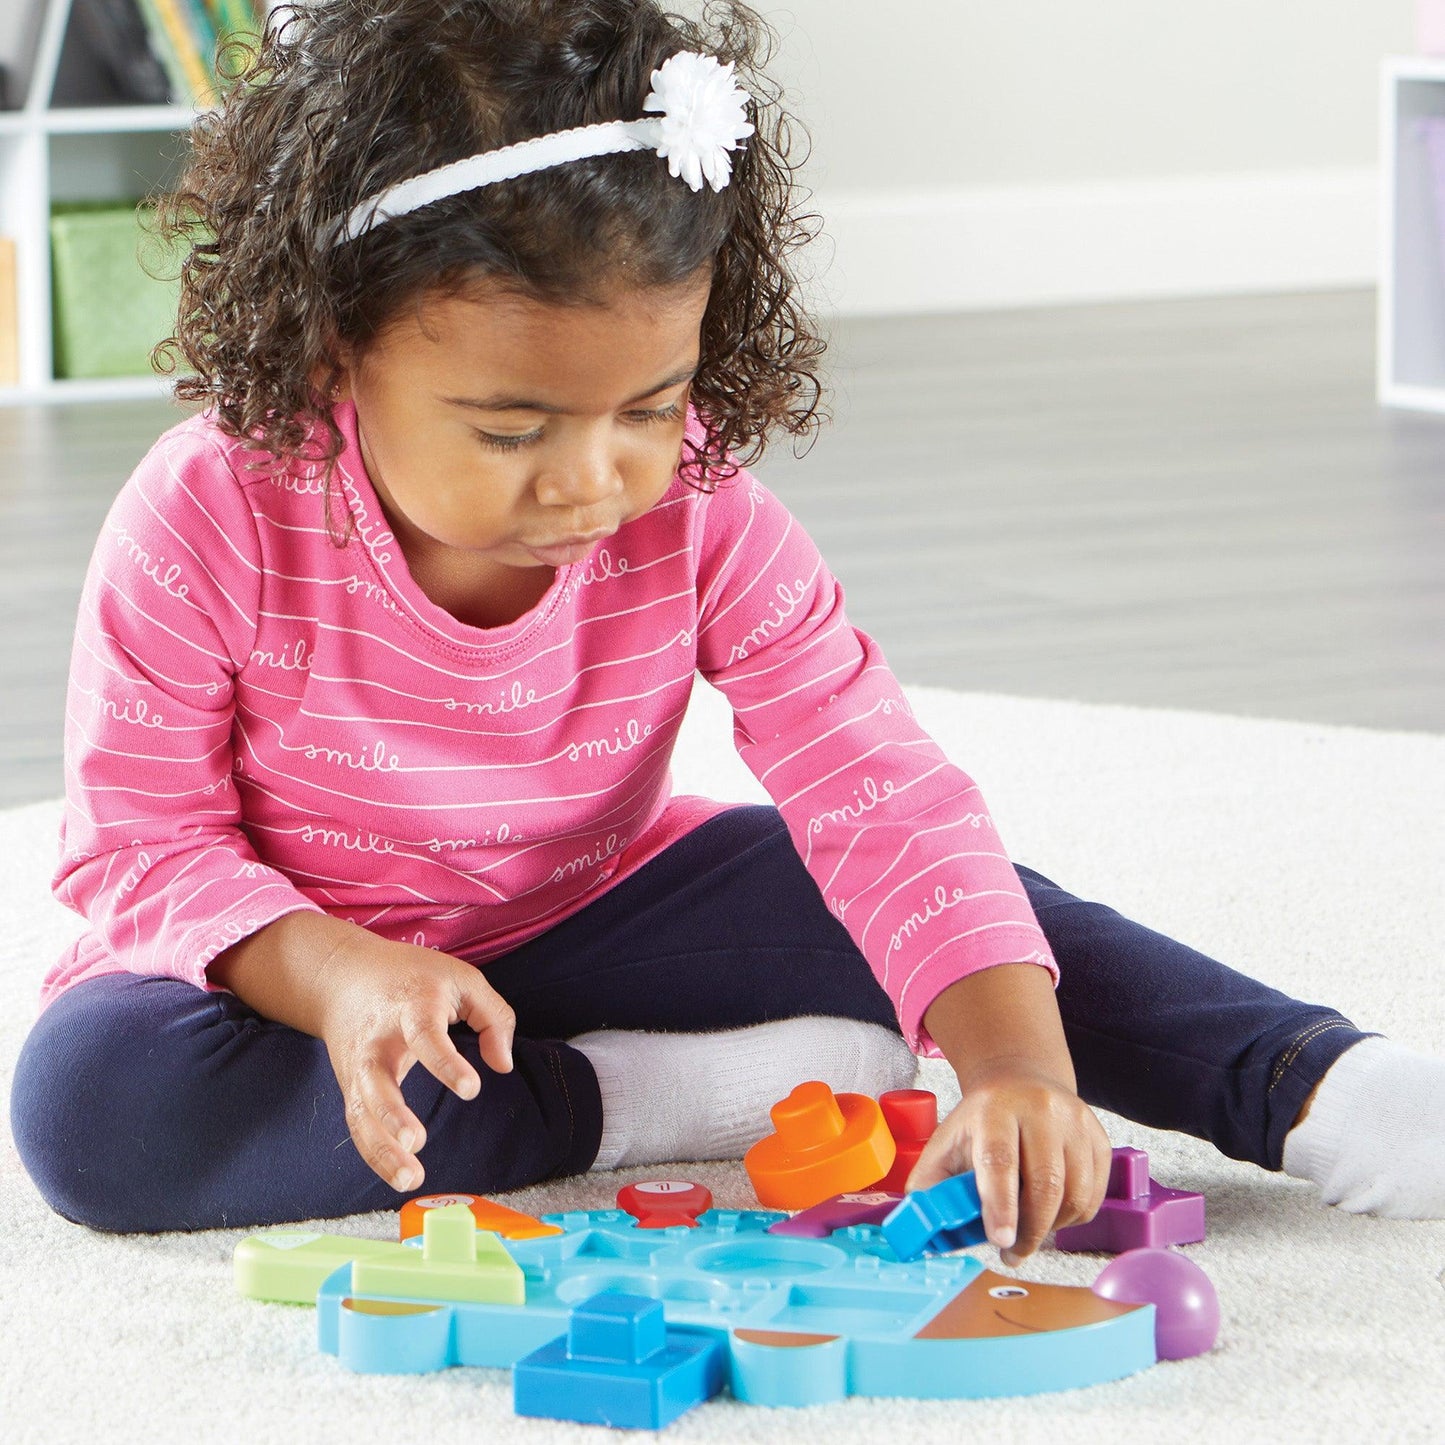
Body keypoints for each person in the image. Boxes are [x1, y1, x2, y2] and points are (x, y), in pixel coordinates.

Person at [11, 0, 1443, 1246]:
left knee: (924, 891)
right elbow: (142, 845)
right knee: (93, 1105)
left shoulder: (694, 504)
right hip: (299, 972)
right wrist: (339, 977)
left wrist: (1015, 1069)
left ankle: (1314, 1085)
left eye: (647, 405)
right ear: (335, 343)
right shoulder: (207, 510)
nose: (593, 480)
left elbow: (872, 782)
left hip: (593, 910)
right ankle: (632, 1098)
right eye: (511, 427)